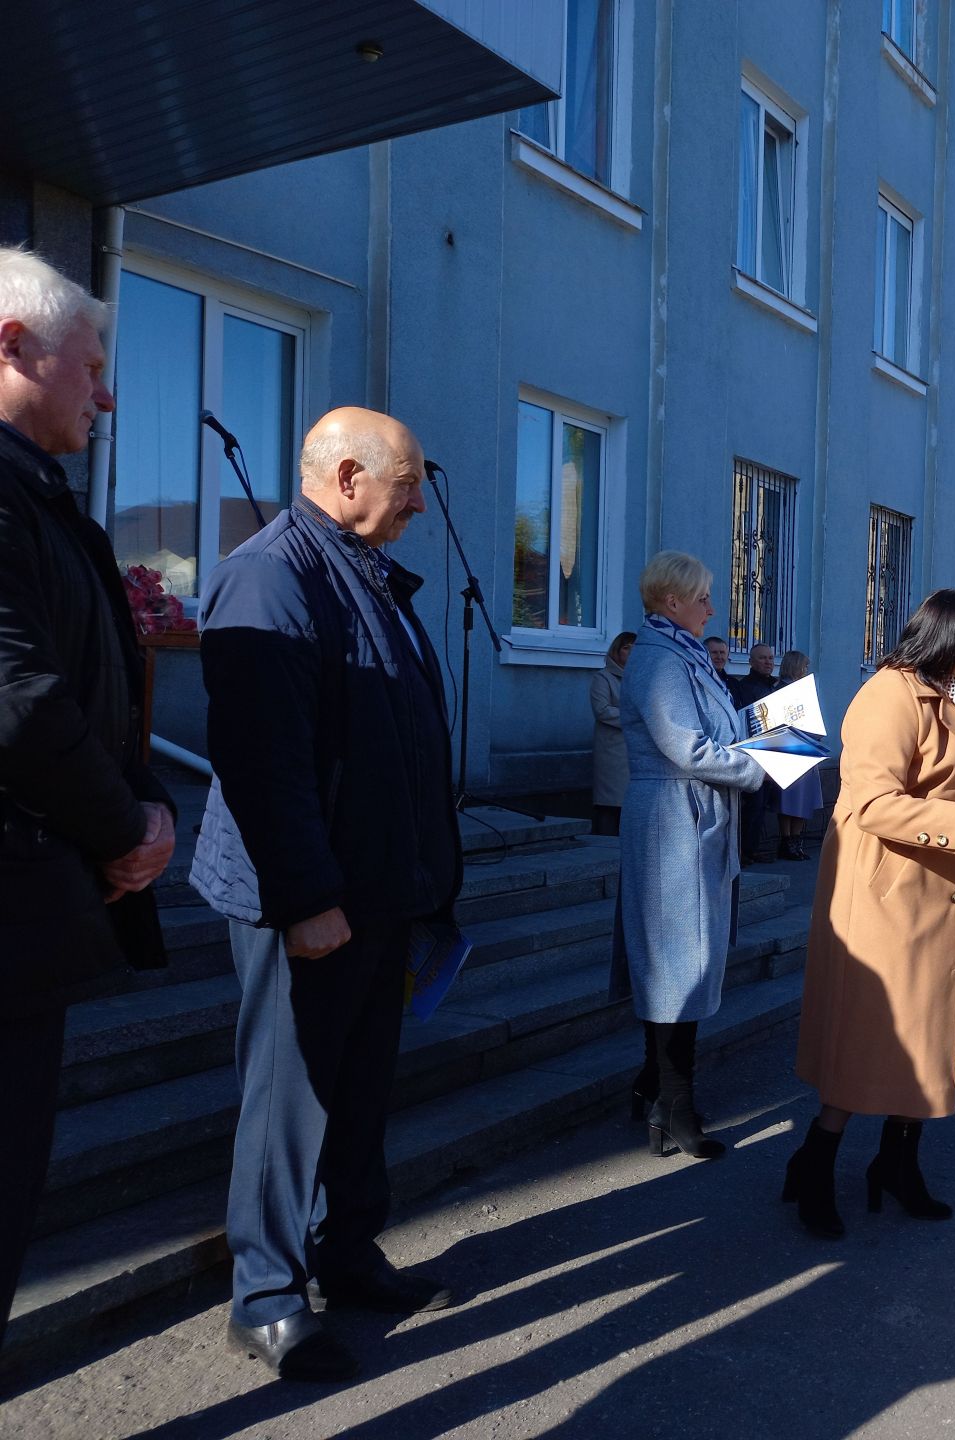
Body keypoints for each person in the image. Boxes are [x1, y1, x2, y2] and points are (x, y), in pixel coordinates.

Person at [194, 407, 461, 1382]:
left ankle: (346, 1250)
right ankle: (265, 1296)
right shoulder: (271, 575)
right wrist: (306, 895)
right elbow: (263, 762)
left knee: (358, 1089)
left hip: (378, 891)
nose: (420, 504)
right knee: (290, 1096)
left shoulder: (363, 572)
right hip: (308, 900)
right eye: (408, 483)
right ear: (349, 477)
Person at [0, 247, 175, 1350]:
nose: (106, 398)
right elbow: (15, 698)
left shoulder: (43, 500)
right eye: (93, 368)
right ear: (13, 347)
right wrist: (128, 827)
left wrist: (148, 801)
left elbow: (91, 687)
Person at [786, 589, 955, 1239]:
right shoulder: (890, 695)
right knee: (868, 1040)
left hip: (939, 890)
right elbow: (872, 803)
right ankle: (815, 1162)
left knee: (927, 1040)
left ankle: (898, 1165)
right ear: (953, 642)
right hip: (886, 894)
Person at [616, 552, 767, 1160]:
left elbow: (719, 730)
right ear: (672, 600)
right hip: (672, 820)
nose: (711, 607)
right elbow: (688, 747)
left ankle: (655, 1085)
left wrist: (771, 732)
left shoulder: (685, 653)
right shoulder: (659, 658)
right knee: (679, 963)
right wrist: (758, 767)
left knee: (685, 960)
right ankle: (673, 1105)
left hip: (694, 817)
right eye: (702, 597)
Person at [728, 643, 782, 866]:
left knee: (763, 805)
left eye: (770, 658)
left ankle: (752, 849)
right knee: (751, 805)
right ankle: (742, 851)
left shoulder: (773, 686)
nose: (768, 662)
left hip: (771, 750)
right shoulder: (744, 687)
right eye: (762, 658)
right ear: (751, 662)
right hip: (752, 754)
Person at [774, 649, 823, 861]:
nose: (806, 670)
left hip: (807, 747)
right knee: (788, 799)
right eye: (804, 666)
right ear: (794, 666)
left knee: (804, 799)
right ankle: (786, 841)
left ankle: (796, 839)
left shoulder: (804, 689)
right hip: (789, 750)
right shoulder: (780, 690)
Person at [589, 631, 637, 835]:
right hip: (612, 752)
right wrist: (634, 718)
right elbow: (602, 710)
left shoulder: (640, 678)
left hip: (635, 752)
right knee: (610, 804)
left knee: (630, 808)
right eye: (626, 648)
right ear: (616, 651)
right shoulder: (603, 678)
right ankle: (603, 844)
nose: (631, 652)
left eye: (635, 648)